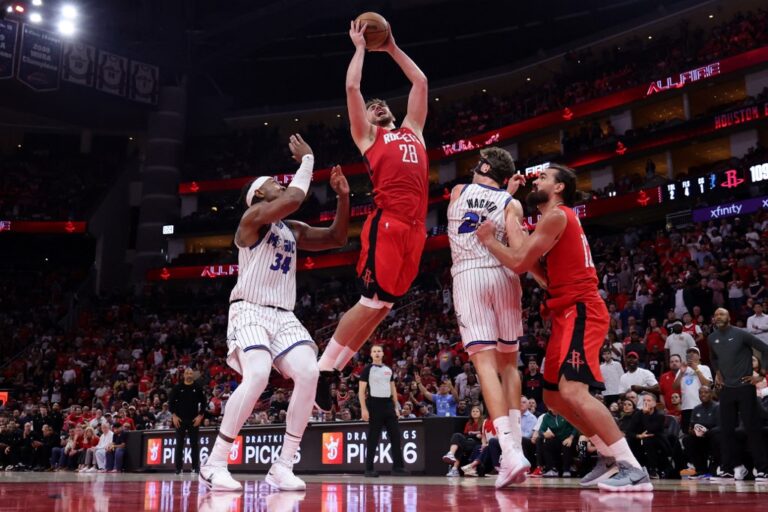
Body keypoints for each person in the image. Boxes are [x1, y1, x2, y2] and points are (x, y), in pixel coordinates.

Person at [477, 163, 651, 491]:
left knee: (573, 390)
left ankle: (632, 467)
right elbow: (536, 270)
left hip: (582, 309)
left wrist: (488, 239)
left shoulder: (559, 215)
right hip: (564, 312)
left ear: (558, 188)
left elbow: (517, 261)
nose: (536, 179)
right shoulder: (550, 221)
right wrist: (508, 204)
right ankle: (608, 457)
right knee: (554, 398)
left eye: (543, 177)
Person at [200, 136, 350, 492]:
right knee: (257, 375)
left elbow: (336, 237)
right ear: (259, 196)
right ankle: (215, 462)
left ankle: (283, 465)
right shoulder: (251, 220)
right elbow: (295, 198)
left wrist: (344, 197)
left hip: (283, 315)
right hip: (249, 311)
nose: (278, 183)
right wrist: (308, 160)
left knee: (310, 372)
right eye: (271, 183)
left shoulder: (290, 230)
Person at [315, 19, 429, 395]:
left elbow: (420, 83)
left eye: (380, 103)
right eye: (371, 106)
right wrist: (361, 48)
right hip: (387, 224)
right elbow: (352, 86)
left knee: (383, 307)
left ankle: (336, 369)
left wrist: (392, 47)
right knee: (370, 300)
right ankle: (321, 370)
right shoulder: (367, 136)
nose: (377, 105)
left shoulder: (413, 130)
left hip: (416, 228)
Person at [446, 146, 533, 487]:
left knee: (484, 365)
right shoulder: (512, 204)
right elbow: (517, 248)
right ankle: (517, 449)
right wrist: (507, 194)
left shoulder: (457, 192)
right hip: (505, 277)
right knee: (510, 363)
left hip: (469, 276)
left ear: (482, 166)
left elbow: (477, 198)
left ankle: (508, 453)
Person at [708, 307, 768, 480]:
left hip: (745, 387)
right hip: (727, 389)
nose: (718, 316)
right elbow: (713, 358)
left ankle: (763, 469)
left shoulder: (741, 334)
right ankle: (727, 469)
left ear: (729, 317)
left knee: (752, 429)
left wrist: (761, 374)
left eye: (722, 313)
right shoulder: (712, 338)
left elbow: (765, 349)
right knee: (726, 431)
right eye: (716, 314)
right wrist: (718, 372)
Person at [358, 345, 407, 478]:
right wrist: (364, 409)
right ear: (371, 354)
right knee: (373, 438)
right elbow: (361, 391)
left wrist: (396, 407)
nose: (377, 353)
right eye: (374, 351)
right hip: (374, 404)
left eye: (379, 351)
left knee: (396, 436)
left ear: (383, 353)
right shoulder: (367, 369)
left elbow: (393, 389)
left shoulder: (388, 369)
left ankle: (398, 467)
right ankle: (369, 469)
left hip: (388, 405)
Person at [168, 367, 206, 474]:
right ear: (184, 375)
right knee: (179, 444)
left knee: (194, 444)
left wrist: (200, 416)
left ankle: (195, 467)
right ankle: (178, 468)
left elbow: (204, 403)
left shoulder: (197, 387)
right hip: (180, 420)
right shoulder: (178, 387)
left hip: (194, 420)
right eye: (187, 373)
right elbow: (171, 403)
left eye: (190, 373)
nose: (189, 375)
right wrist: (174, 416)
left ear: (192, 375)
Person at [680, 385, 719, 478]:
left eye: (706, 392)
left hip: (712, 436)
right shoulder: (696, 408)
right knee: (687, 440)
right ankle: (700, 469)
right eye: (700, 393)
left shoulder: (717, 407)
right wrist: (693, 432)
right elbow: (690, 428)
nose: (703, 395)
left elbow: (720, 426)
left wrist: (707, 432)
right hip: (699, 437)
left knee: (717, 438)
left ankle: (713, 469)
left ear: (711, 394)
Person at [673, 347, 712, 433]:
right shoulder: (682, 369)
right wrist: (682, 372)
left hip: (701, 406)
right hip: (686, 407)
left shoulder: (704, 368)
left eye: (694, 352)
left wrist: (696, 369)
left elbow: (707, 384)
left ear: (699, 356)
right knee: (687, 432)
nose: (691, 353)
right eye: (689, 352)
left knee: (703, 433)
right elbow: (675, 387)